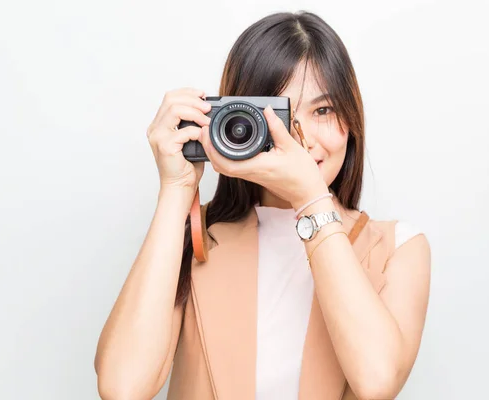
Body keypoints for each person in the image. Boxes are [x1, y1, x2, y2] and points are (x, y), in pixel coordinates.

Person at [94, 10, 431, 400]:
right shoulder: (192, 239)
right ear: (236, 121)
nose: (301, 140)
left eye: (323, 110)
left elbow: (377, 381)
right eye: (279, 115)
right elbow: (122, 387)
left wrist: (310, 200)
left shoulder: (400, 248)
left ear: (352, 120)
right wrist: (176, 188)